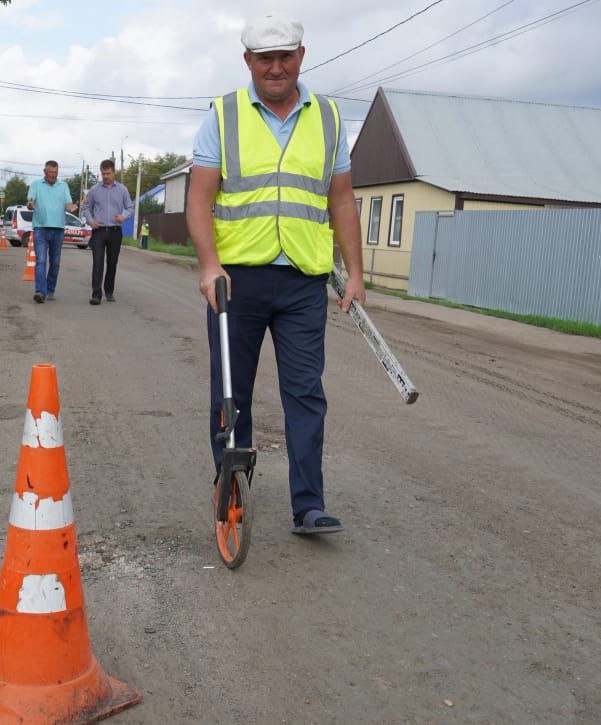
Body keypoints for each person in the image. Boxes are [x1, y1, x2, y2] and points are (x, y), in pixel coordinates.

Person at [186, 13, 366, 536]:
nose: (276, 67)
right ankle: (230, 485)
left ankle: (309, 505)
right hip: (235, 282)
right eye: (265, 58)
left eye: (285, 56)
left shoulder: (329, 117)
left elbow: (342, 201)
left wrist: (354, 274)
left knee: (306, 393)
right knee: (231, 391)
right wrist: (208, 264)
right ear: (248, 62)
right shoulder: (223, 115)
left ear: (301, 56)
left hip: (304, 282)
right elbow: (199, 197)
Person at [83, 159, 134, 304]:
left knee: (112, 263)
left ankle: (109, 291)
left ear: (114, 172)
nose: (105, 176)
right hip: (99, 231)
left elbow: (130, 207)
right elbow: (86, 207)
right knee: (97, 262)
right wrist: (90, 221)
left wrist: (124, 216)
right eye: (103, 173)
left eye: (108, 173)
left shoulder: (122, 190)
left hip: (115, 231)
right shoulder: (94, 190)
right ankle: (96, 294)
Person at [26, 160, 78, 303]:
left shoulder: (63, 186)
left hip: (58, 230)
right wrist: (30, 205)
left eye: (56, 173)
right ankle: (40, 292)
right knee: (41, 260)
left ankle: (50, 290)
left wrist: (72, 207)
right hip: (40, 229)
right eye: (51, 172)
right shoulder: (36, 185)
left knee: (55, 262)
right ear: (45, 172)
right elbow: (30, 202)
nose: (54, 175)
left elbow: (67, 203)